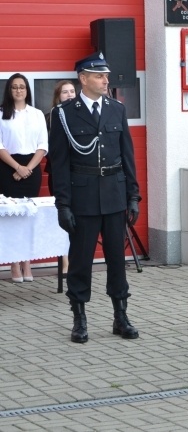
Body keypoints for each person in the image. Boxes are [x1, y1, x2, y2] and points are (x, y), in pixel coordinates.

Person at [48, 52, 141, 344]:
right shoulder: (63, 113)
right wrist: (63, 204)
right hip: (83, 197)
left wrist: (133, 196)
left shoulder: (116, 109)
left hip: (114, 194)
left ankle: (120, 316)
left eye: (106, 76)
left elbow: (127, 156)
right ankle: (79, 319)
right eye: (99, 76)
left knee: (117, 259)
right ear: (83, 78)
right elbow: (59, 164)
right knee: (80, 261)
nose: (105, 80)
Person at [0, 73, 48, 283]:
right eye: (14, 87)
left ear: (27, 90)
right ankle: (13, 263)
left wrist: (27, 168)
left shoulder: (37, 114)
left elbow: (42, 145)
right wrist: (17, 167)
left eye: (22, 87)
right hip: (7, 168)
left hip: (31, 168)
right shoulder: (1, 113)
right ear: (9, 90)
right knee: (11, 217)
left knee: (28, 216)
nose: (18, 90)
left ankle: (27, 262)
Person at [45, 80, 78, 276]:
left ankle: (76, 259)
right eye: (65, 92)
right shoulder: (51, 117)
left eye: (72, 91)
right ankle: (65, 261)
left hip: (80, 174)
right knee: (64, 216)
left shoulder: (82, 115)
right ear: (58, 96)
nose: (70, 95)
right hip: (59, 175)